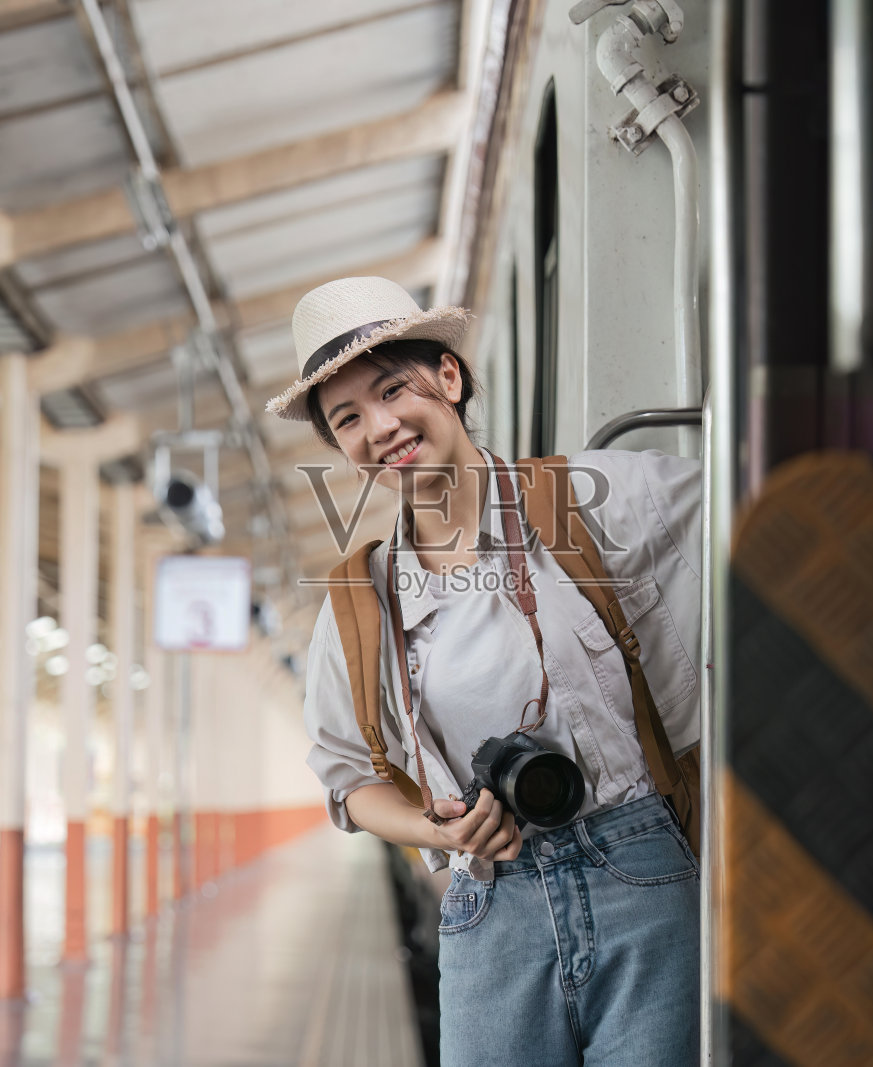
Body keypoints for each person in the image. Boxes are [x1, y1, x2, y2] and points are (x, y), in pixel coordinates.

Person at [271, 276, 703, 1066]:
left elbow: (760, 520)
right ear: (340, 449)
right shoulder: (361, 601)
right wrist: (431, 825)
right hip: (489, 903)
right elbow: (346, 777)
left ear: (448, 376)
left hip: (643, 875)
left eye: (392, 388)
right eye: (348, 419)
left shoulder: (597, 502)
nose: (382, 426)